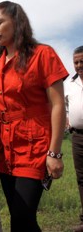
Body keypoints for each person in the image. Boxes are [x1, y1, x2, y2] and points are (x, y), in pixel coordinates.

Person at [0, 1, 68, 231]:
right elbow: (3, 106)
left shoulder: (43, 54)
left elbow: (58, 104)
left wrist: (55, 153)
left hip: (34, 144)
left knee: (22, 216)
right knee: (20, 218)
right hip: (4, 145)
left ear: (17, 22)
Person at [66, 46, 83, 232]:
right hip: (77, 137)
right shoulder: (70, 84)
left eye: (82, 61)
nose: (79, 65)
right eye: (76, 62)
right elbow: (64, 105)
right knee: (81, 178)